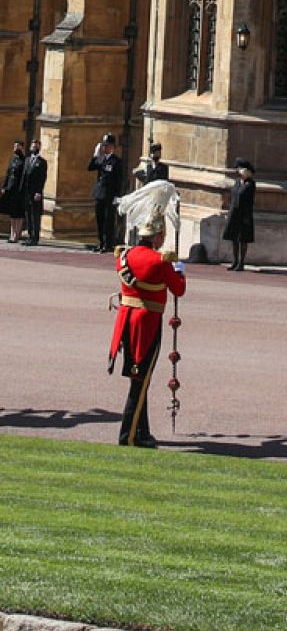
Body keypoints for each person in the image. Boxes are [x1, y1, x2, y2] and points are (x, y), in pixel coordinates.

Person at [106, 181, 186, 448]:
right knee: (140, 381)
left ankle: (142, 432)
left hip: (126, 320)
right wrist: (179, 269)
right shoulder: (160, 262)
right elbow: (179, 289)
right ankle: (128, 435)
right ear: (158, 236)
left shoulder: (123, 256)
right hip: (147, 324)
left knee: (140, 378)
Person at [87, 135, 124, 253]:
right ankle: (101, 243)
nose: (104, 147)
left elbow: (119, 180)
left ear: (112, 147)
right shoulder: (101, 159)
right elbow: (90, 167)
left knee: (109, 220)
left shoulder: (116, 161)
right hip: (100, 194)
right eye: (103, 145)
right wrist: (95, 154)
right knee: (100, 219)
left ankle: (108, 244)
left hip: (110, 195)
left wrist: (117, 196)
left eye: (106, 145)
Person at [222, 159, 256, 271]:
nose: (240, 171)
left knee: (243, 239)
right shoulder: (237, 182)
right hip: (234, 213)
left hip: (244, 214)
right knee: (234, 238)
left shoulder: (250, 184)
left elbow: (249, 201)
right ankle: (235, 261)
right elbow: (233, 196)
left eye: (242, 169)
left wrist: (247, 216)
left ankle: (241, 262)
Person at [20, 139, 47, 245]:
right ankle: (29, 236)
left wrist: (39, 192)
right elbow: (23, 176)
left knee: (35, 215)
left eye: (36, 146)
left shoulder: (42, 162)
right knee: (28, 214)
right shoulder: (27, 160)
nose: (34, 148)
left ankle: (35, 238)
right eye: (33, 146)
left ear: (39, 148)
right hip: (27, 192)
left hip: (35, 193)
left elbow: (42, 178)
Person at [2, 141, 25, 243]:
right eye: (14, 146)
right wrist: (4, 187)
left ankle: (16, 234)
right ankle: (11, 234)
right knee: (12, 213)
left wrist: (22, 189)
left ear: (22, 147)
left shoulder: (24, 161)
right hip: (10, 189)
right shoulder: (12, 159)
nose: (15, 148)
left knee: (18, 213)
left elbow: (24, 177)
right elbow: (8, 174)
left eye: (17, 146)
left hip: (19, 190)